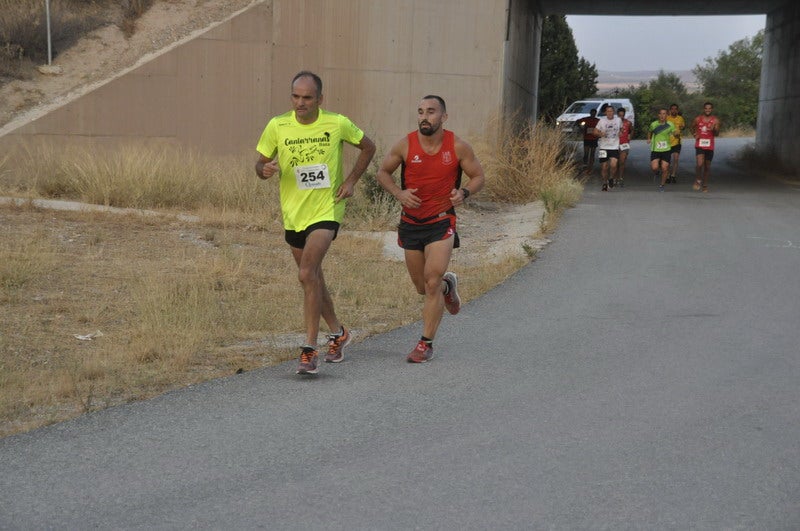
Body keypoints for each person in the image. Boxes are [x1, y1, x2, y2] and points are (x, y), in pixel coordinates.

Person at [255, 71, 376, 375]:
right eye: (295, 96)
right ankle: (339, 332)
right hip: (294, 213)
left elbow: (368, 147)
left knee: (307, 272)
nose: (300, 103)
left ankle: (309, 349)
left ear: (320, 99)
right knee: (313, 279)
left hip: (327, 210)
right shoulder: (277, 125)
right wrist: (265, 169)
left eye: (307, 97)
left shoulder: (336, 123)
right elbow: (259, 163)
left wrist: (350, 182)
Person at [375, 95, 485, 363]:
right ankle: (449, 287)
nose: (425, 117)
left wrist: (464, 192)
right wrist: (399, 194)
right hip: (411, 223)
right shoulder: (406, 144)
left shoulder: (457, 146)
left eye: (431, 112)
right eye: (421, 112)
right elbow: (382, 172)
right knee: (422, 287)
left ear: (444, 117)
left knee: (431, 279)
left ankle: (425, 344)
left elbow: (479, 176)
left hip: (441, 220)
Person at [691, 101, 721, 193]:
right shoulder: (697, 119)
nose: (707, 110)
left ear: (712, 109)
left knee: (707, 167)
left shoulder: (716, 120)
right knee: (700, 164)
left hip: (709, 146)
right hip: (700, 144)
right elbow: (691, 127)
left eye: (709, 108)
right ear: (703, 109)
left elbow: (717, 134)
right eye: (706, 108)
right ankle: (698, 179)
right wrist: (694, 134)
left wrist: (714, 129)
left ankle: (705, 185)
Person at [593, 104, 622, 191]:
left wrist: (620, 132)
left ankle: (611, 178)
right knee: (604, 167)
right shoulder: (602, 121)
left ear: (614, 112)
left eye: (611, 111)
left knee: (613, 165)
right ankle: (605, 182)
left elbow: (621, 129)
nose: (610, 113)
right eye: (608, 111)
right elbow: (594, 132)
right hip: (603, 147)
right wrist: (600, 134)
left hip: (614, 146)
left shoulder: (618, 120)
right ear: (605, 112)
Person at [647, 108, 675, 191]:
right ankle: (657, 172)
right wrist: (649, 138)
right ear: (658, 115)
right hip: (655, 149)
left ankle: (662, 185)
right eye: (661, 114)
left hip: (666, 149)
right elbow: (649, 131)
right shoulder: (654, 124)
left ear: (667, 115)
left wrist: (676, 134)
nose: (662, 115)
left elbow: (674, 132)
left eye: (664, 114)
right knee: (654, 167)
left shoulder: (670, 124)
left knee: (665, 168)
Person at [666, 103, 685, 183]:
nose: (674, 110)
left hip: (677, 141)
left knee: (676, 159)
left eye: (675, 109)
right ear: (670, 110)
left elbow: (683, 127)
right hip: (667, 142)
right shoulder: (667, 118)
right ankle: (667, 176)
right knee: (667, 160)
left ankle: (673, 175)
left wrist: (682, 128)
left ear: (677, 110)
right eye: (672, 109)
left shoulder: (680, 118)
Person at [617, 107, 633, 187]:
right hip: (615, 144)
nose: (621, 117)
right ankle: (614, 178)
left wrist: (630, 136)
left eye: (622, 115)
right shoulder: (614, 123)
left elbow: (631, 130)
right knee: (615, 163)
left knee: (622, 161)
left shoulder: (628, 123)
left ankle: (620, 178)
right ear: (617, 115)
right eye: (619, 115)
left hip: (624, 144)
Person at [580, 108, 600, 175]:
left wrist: (598, 133)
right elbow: (578, 122)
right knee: (586, 153)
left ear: (595, 114)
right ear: (590, 113)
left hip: (594, 139)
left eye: (594, 113)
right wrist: (582, 127)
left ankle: (590, 167)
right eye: (592, 113)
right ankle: (585, 165)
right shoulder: (586, 119)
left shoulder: (597, 120)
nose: (593, 114)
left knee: (592, 153)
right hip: (587, 138)